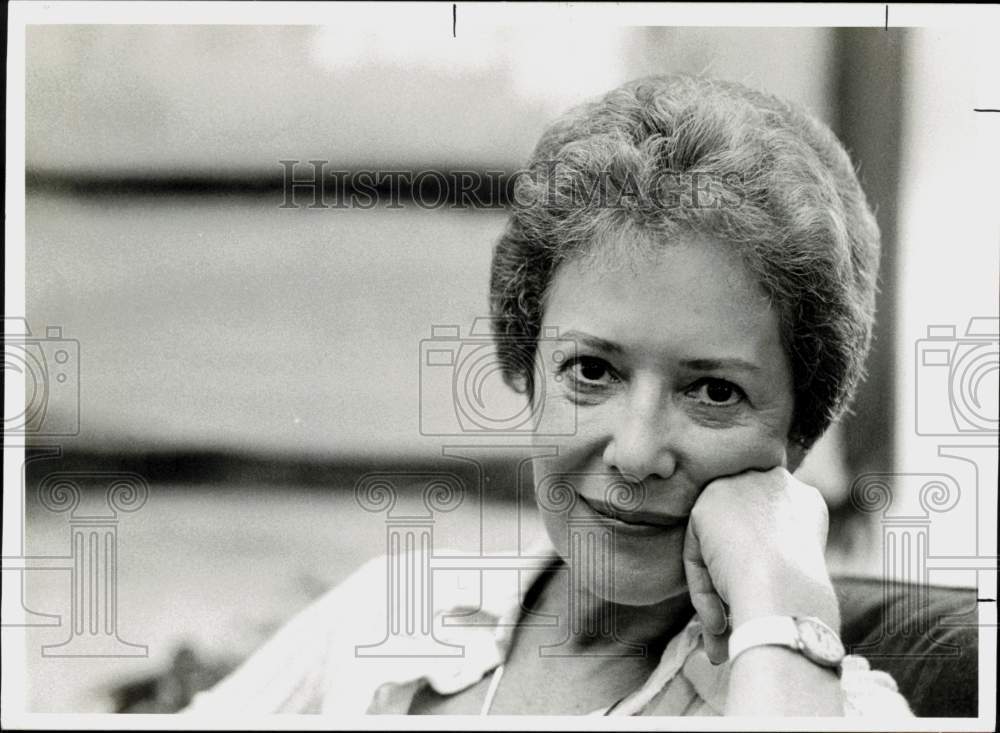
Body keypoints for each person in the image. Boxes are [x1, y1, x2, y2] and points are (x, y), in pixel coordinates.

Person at [183, 75, 912, 717]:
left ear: (798, 431)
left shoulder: (836, 709)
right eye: (592, 371)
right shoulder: (397, 609)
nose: (634, 452)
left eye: (714, 391)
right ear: (526, 363)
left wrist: (782, 606)